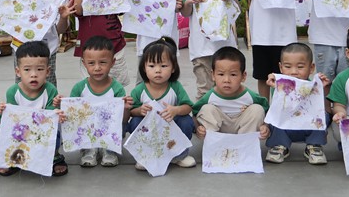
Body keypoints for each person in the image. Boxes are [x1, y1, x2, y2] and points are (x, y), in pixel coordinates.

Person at [0, 41, 67, 177]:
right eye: (27, 69)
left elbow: (49, 117)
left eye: (40, 69)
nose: (33, 74)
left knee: (56, 128)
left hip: (42, 130)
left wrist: (56, 112)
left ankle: (54, 157)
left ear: (48, 71)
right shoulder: (13, 92)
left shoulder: (50, 90)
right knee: (6, 130)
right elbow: (12, 119)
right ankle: (15, 158)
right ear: (18, 71)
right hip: (21, 131)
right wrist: (4, 112)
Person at [128, 37, 197, 169]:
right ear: (144, 68)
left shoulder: (175, 87)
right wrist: (139, 110)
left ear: (173, 68)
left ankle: (179, 155)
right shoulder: (139, 89)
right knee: (135, 122)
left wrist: (176, 110)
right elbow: (131, 110)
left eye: (163, 66)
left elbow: (188, 107)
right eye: (152, 66)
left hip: (171, 128)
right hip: (150, 129)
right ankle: (146, 156)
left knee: (186, 121)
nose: (158, 70)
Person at [69, 36, 133, 168]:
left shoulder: (117, 88)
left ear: (113, 62)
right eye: (91, 63)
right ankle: (88, 149)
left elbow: (124, 120)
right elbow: (72, 116)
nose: (97, 68)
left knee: (120, 125)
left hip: (108, 128)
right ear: (84, 63)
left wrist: (126, 108)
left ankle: (110, 149)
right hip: (88, 127)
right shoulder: (79, 88)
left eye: (103, 62)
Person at [264, 43, 330, 165]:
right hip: (285, 127)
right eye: (288, 67)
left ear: (311, 68)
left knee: (323, 115)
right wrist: (275, 85)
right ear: (281, 67)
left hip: (308, 126)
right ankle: (279, 145)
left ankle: (314, 146)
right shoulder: (280, 85)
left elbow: (322, 105)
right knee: (274, 115)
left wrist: (323, 87)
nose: (294, 72)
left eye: (300, 67)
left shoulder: (314, 86)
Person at [193, 46, 270, 139]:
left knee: (257, 109)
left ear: (243, 76)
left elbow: (267, 111)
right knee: (206, 109)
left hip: (243, 131)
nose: (226, 80)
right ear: (213, 75)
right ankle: (215, 145)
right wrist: (198, 128)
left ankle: (245, 144)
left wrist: (265, 126)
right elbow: (195, 112)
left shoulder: (249, 95)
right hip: (219, 133)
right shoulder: (210, 96)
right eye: (221, 74)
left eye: (233, 74)